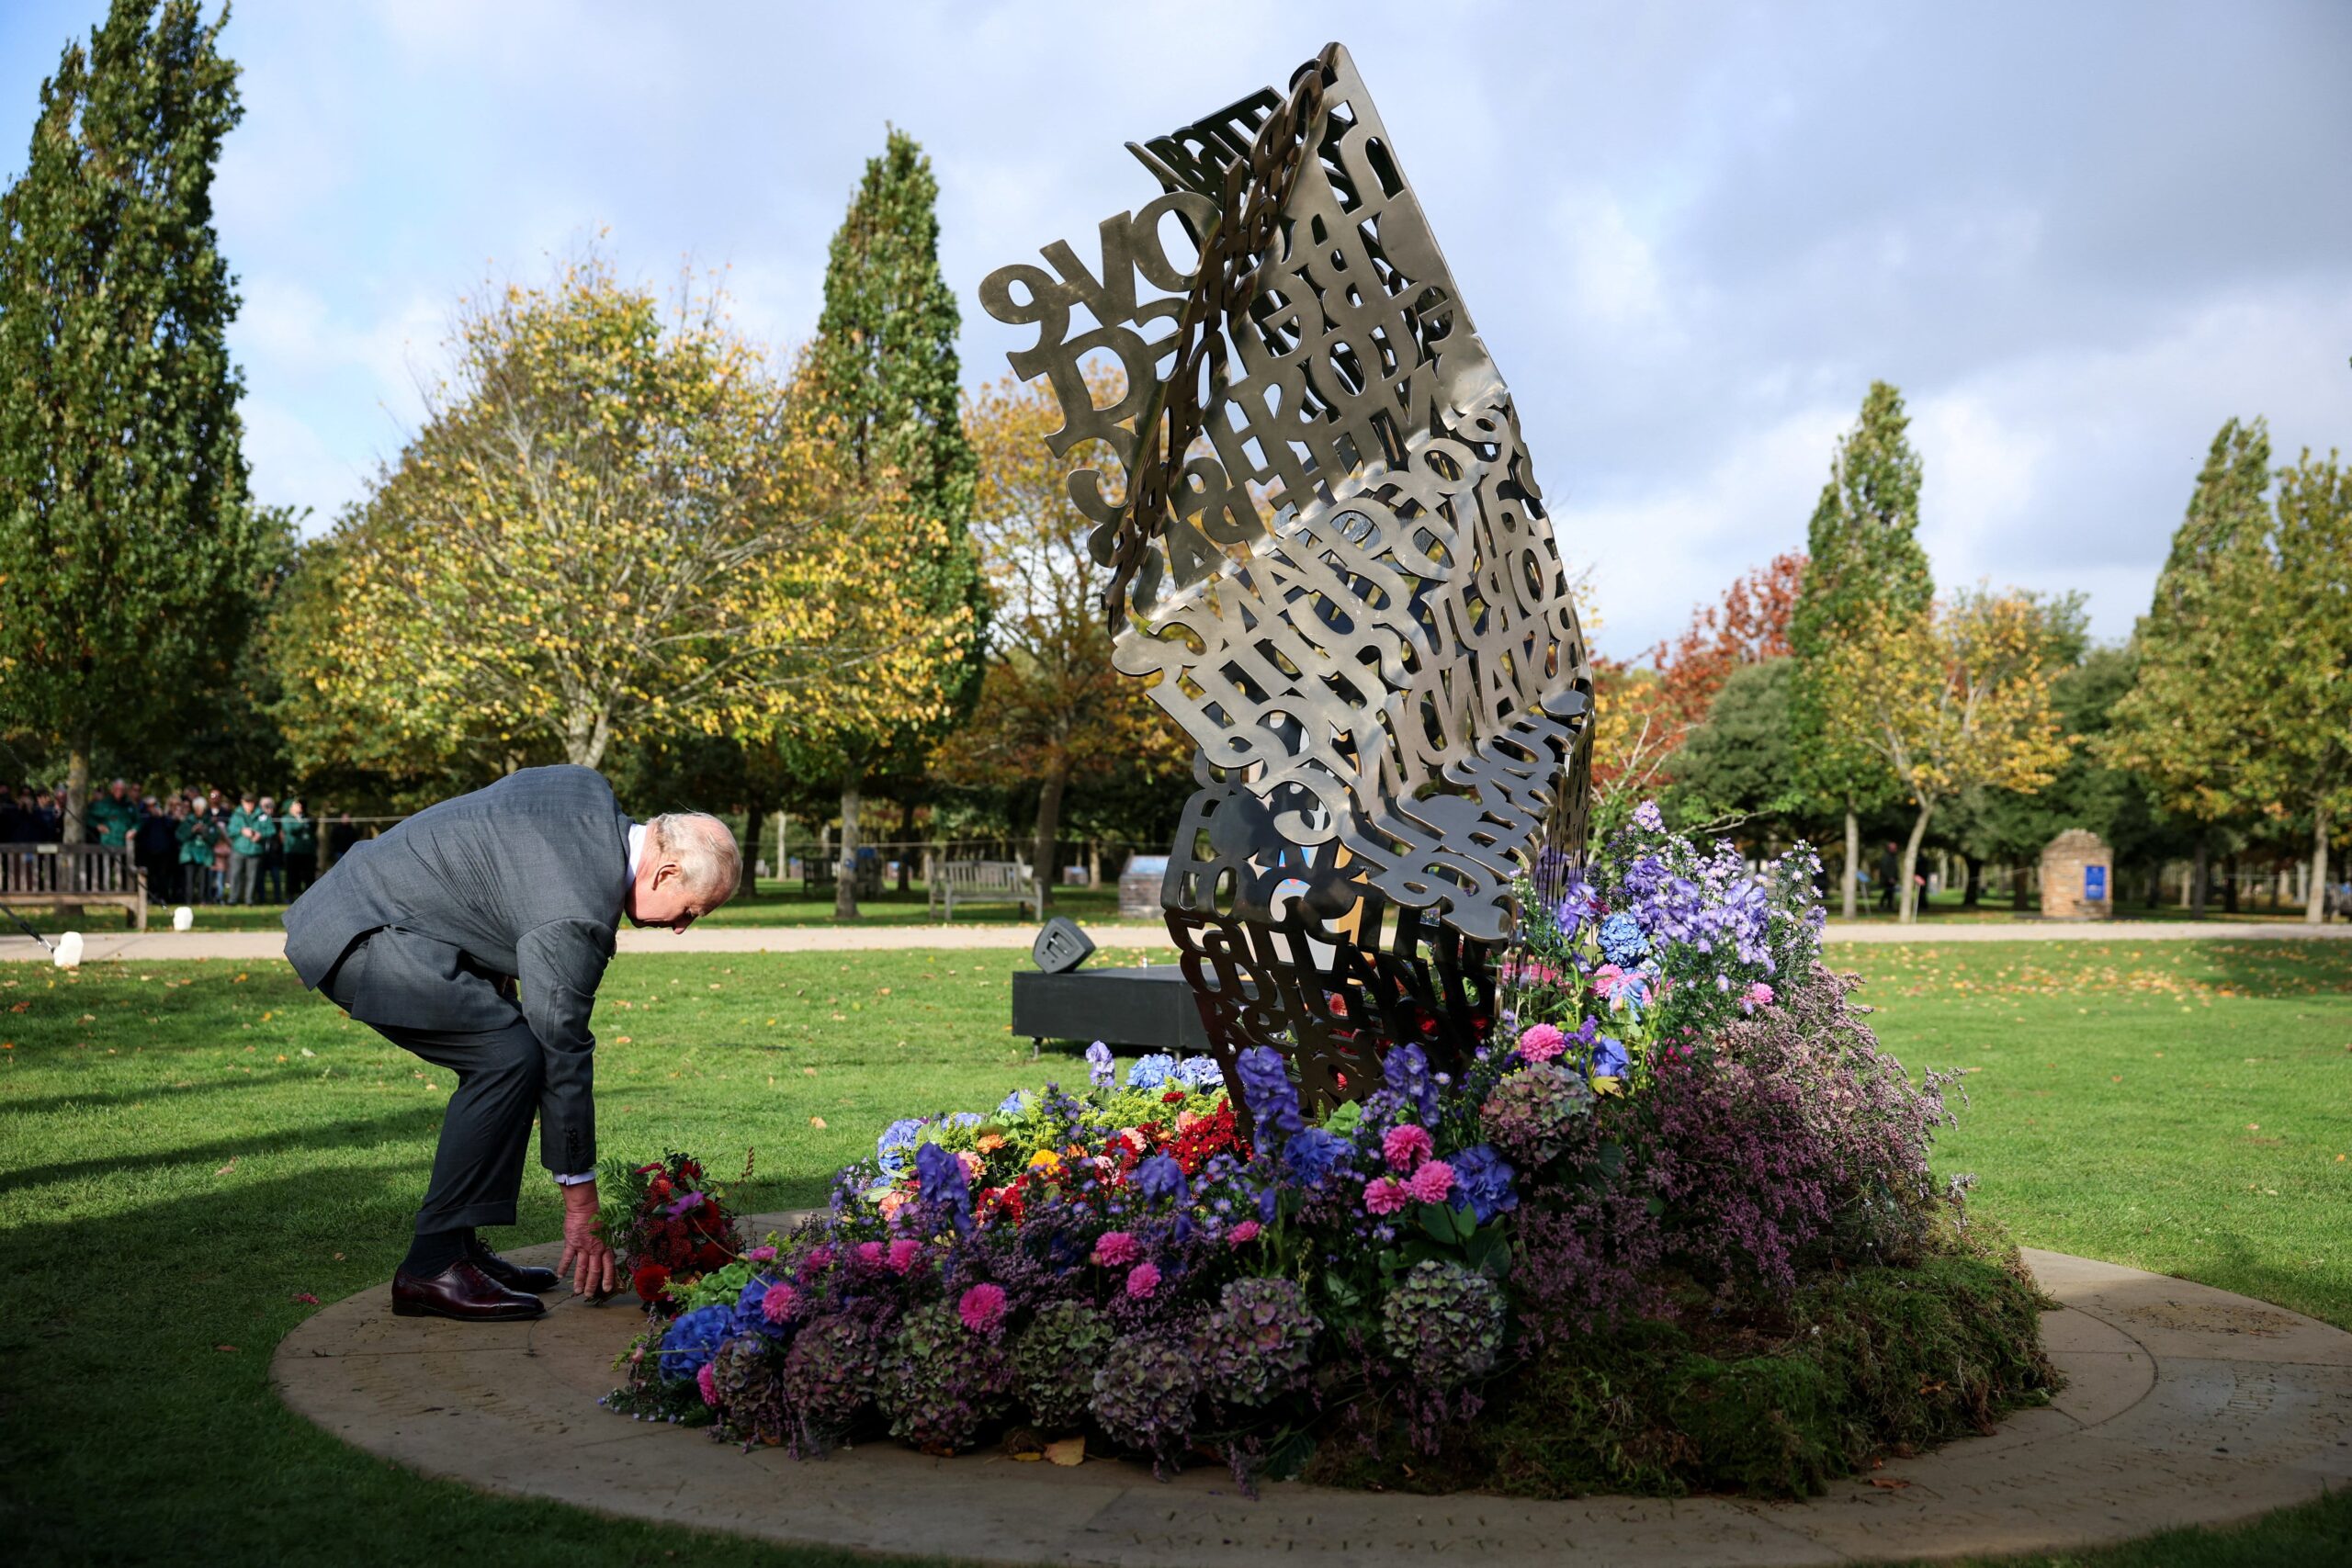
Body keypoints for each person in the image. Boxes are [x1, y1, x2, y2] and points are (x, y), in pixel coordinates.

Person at [283, 765, 739, 1323]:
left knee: (511, 1054)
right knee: (511, 1057)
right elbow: (563, 1051)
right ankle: (432, 1265)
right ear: (666, 872)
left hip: (366, 905)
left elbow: (499, 868)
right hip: (365, 939)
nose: (681, 928)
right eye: (692, 910)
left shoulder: (585, 790)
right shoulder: (577, 911)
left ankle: (459, 1249)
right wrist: (582, 1206)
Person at [226, 791, 266, 905]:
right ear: (242, 803)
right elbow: (230, 830)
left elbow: (271, 829)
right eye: (247, 802)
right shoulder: (237, 814)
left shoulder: (262, 815)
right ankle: (232, 899)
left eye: (251, 802)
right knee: (235, 875)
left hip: (254, 849)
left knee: (252, 877)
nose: (249, 805)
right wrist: (241, 831)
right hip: (239, 849)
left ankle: (249, 899)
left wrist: (260, 834)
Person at [177, 795, 220, 905]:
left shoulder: (210, 822)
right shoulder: (188, 821)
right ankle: (188, 901)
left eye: (202, 808)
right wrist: (192, 831)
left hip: (204, 854)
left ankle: (203, 900)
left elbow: (214, 838)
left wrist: (205, 832)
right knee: (189, 880)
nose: (200, 811)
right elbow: (180, 836)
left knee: (203, 880)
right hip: (189, 854)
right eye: (198, 808)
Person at [278, 798, 318, 901]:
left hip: (308, 852)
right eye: (296, 804)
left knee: (309, 875)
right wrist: (302, 823)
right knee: (292, 875)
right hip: (292, 852)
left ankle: (309, 897)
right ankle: (291, 896)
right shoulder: (286, 818)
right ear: (290, 807)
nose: (300, 805)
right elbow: (290, 830)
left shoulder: (306, 818)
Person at [86, 778, 139, 852]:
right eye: (117, 789)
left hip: (125, 846)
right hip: (107, 845)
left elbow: (138, 821)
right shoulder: (104, 804)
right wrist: (97, 825)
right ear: (112, 789)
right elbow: (87, 816)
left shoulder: (130, 805)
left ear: (125, 791)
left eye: (121, 789)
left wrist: (134, 830)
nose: (119, 791)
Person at [255, 794, 283, 903]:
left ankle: (278, 898)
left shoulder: (277, 819)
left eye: (270, 805)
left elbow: (279, 834)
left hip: (274, 854)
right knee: (260, 877)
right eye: (265, 805)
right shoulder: (257, 818)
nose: (268, 808)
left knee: (276, 877)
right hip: (261, 853)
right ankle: (261, 898)